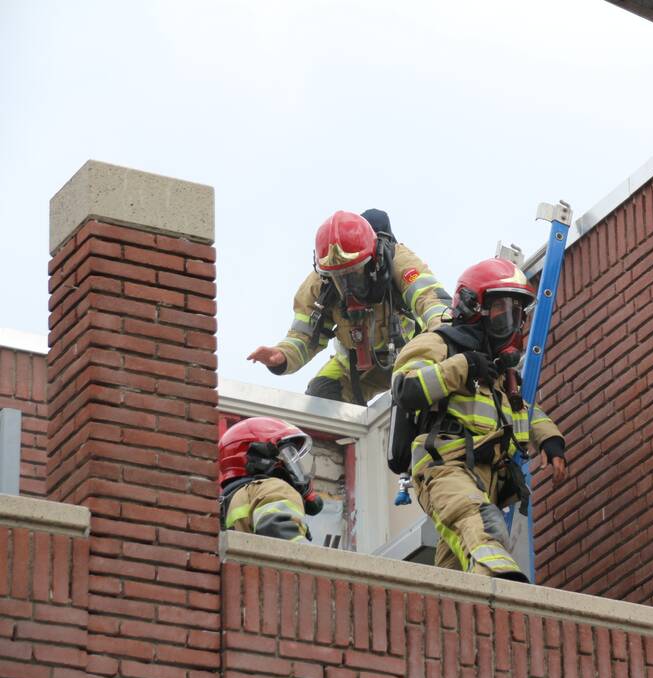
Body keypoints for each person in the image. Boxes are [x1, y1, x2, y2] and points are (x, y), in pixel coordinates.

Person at [390, 257, 569, 581]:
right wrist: (463, 366)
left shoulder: (498, 370)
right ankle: (495, 580)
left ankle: (460, 619)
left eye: (516, 314)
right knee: (479, 518)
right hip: (444, 463)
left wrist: (551, 440)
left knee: (455, 570)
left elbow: (520, 409)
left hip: (486, 475)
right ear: (474, 308)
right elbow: (407, 388)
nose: (511, 324)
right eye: (502, 312)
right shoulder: (439, 343)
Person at [248, 209, 451, 404]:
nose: (347, 283)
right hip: (353, 363)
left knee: (413, 393)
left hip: (407, 353)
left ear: (373, 258)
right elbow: (304, 336)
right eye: (338, 275)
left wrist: (448, 337)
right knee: (321, 396)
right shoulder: (318, 284)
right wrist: (282, 355)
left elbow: (431, 299)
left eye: (354, 271)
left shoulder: (397, 260)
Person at [218, 416, 324, 542]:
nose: (289, 464)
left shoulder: (226, 503)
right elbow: (287, 552)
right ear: (259, 456)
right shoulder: (274, 489)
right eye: (286, 454)